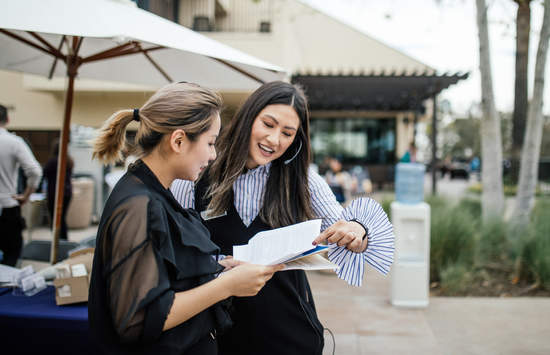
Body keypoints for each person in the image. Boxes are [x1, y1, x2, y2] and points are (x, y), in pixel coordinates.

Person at [171, 81, 394, 355]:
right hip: (220, 336)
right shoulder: (198, 174)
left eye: (287, 133)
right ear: (248, 118)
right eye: (268, 124)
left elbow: (345, 228)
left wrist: (356, 231)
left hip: (290, 336)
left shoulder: (302, 181)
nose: (274, 140)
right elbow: (177, 254)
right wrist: (218, 266)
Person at [88, 82, 283, 355]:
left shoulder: (154, 193)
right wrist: (226, 285)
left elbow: (164, 269)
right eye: (211, 143)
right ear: (178, 141)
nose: (214, 155)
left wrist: (217, 267)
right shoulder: (138, 205)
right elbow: (138, 319)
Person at [0, 104, 42, 266]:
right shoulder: (14, 142)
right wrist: (26, 195)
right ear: (8, 119)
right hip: (7, 207)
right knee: (12, 256)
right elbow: (35, 171)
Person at [42, 139, 73, 240]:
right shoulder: (69, 161)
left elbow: (44, 174)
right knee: (62, 218)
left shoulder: (52, 161)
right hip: (67, 192)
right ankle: (64, 239)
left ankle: (57, 239)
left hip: (55, 193)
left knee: (54, 218)